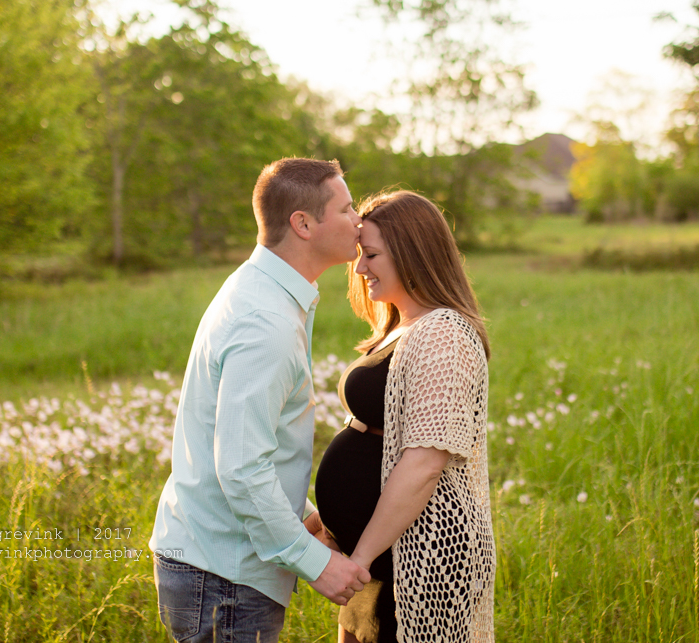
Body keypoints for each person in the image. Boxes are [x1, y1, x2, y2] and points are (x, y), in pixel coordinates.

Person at [149, 158, 372, 643]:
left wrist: (300, 515)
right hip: (222, 577)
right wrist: (316, 564)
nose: (359, 220)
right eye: (347, 208)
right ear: (304, 224)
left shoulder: (267, 294)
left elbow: (250, 447)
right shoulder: (264, 322)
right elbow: (241, 468)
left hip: (217, 566)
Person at [314, 191, 495, 643]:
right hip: (378, 552)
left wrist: (360, 557)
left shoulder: (444, 335)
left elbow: (423, 464)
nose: (359, 268)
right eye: (360, 254)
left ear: (413, 255)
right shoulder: (402, 326)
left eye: (371, 255)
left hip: (422, 553)